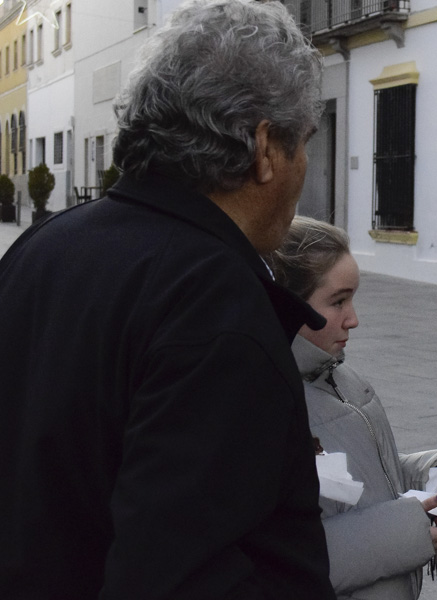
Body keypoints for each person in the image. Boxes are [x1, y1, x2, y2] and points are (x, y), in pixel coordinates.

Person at [0, 1, 334, 598]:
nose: (304, 165)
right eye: (303, 141)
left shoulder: (42, 247)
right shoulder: (215, 302)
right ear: (264, 148)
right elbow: (180, 574)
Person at [268, 216, 437, 599]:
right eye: (338, 301)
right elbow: (287, 554)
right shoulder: (267, 403)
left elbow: (366, 477)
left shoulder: (344, 377)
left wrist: (432, 475)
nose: (353, 319)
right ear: (291, 306)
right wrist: (408, 528)